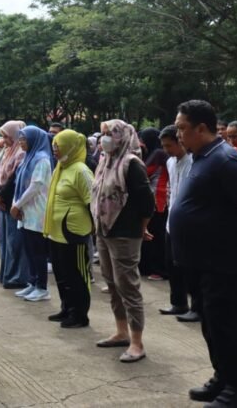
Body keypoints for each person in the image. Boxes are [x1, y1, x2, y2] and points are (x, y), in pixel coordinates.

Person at [172, 100, 237, 407]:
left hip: (226, 265)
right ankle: (223, 378)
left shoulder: (226, 161)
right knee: (212, 326)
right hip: (203, 263)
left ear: (202, 128)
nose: (178, 133)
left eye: (183, 128)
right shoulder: (201, 157)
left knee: (228, 328)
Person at [92, 120, 154, 363]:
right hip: (104, 230)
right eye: (104, 134)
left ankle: (137, 342)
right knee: (112, 283)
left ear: (122, 136)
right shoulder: (105, 162)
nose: (105, 138)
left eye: (110, 134)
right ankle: (121, 331)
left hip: (125, 233)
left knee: (128, 286)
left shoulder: (131, 164)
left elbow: (147, 202)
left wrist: (142, 227)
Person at [44, 129, 94, 329]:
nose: (55, 149)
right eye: (54, 145)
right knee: (61, 273)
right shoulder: (62, 167)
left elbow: (93, 203)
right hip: (57, 232)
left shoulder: (81, 170)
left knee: (77, 275)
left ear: (71, 147)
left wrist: (95, 230)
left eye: (59, 145)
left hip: (73, 232)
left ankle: (80, 314)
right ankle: (67, 307)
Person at [157, 126, 198, 321]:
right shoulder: (170, 162)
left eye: (169, 145)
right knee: (171, 264)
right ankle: (178, 303)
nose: (166, 149)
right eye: (163, 146)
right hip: (171, 221)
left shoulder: (193, 162)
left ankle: (197, 307)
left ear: (180, 141)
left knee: (191, 267)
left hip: (190, 223)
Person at [11, 126, 53, 301]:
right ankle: (32, 282)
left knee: (38, 252)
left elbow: (35, 186)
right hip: (25, 211)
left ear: (34, 140)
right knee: (29, 250)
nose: (21, 142)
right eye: (20, 139)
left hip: (36, 211)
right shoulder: (28, 158)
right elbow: (18, 182)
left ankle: (42, 287)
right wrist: (16, 204)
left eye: (24, 139)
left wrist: (18, 205)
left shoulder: (42, 159)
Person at [0, 120, 27, 290]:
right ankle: (7, 273)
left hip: (12, 198)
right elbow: (1, 175)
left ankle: (17, 276)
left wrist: (2, 196)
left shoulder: (21, 153)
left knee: (15, 241)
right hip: (3, 197)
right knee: (5, 240)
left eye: (6, 136)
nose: (4, 139)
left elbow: (15, 179)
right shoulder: (9, 151)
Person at [139, 127, 169, 281]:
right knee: (151, 235)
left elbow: (145, 172)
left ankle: (159, 269)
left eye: (143, 139)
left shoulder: (158, 154)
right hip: (154, 198)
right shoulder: (153, 153)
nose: (141, 142)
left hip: (158, 199)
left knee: (155, 236)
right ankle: (148, 266)